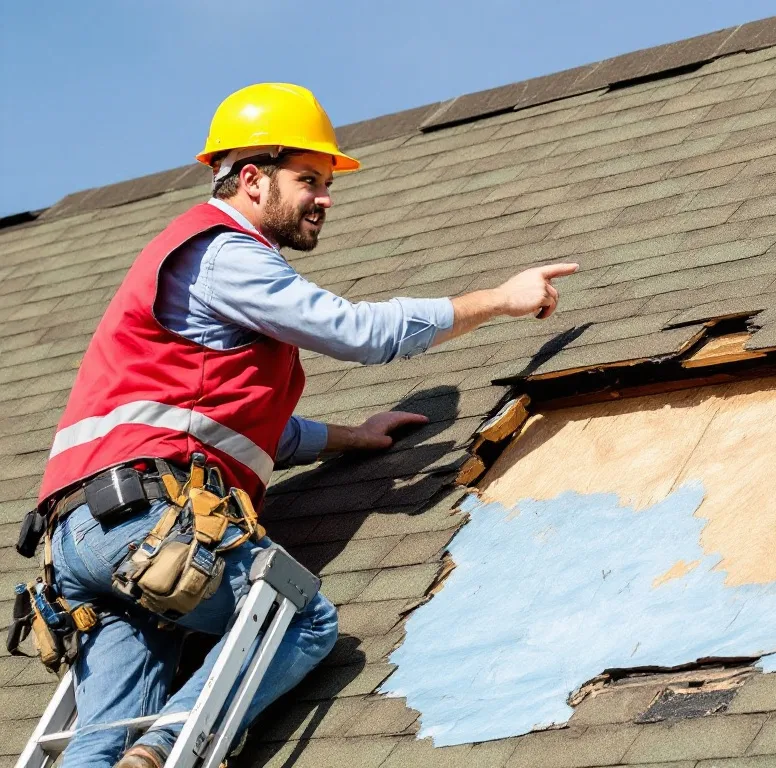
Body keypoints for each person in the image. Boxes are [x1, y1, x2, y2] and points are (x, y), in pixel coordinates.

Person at [33, 83, 577, 768]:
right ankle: (167, 748)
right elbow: (357, 332)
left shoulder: (185, 263)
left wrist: (351, 437)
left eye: (327, 183)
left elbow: (235, 432)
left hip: (82, 540)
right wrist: (499, 299)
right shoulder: (225, 252)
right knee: (299, 617)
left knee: (97, 744)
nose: (325, 198)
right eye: (309, 180)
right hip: (145, 521)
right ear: (253, 179)